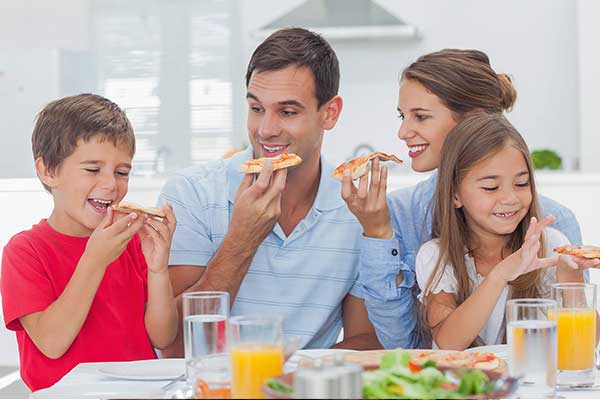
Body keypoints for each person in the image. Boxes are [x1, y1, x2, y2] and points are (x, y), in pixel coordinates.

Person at [159, 27, 380, 356]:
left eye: (287, 112)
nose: (266, 130)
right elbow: (177, 347)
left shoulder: (356, 211)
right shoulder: (191, 194)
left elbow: (365, 341)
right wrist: (241, 240)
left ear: (329, 113)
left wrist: (289, 378)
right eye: (256, 109)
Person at [340, 49, 583, 349]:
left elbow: (575, 342)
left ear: (474, 121)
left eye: (421, 117)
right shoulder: (397, 215)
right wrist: (377, 233)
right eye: (403, 116)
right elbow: (402, 345)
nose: (403, 132)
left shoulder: (553, 225)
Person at [0, 94, 178, 391]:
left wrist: (159, 271)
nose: (111, 184)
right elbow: (52, 343)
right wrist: (95, 260)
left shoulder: (131, 241)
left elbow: (163, 337)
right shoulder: (25, 252)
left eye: (122, 172)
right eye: (93, 169)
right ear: (49, 171)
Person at [416, 112, 597, 349]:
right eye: (491, 187)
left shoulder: (550, 245)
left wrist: (569, 278)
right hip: (469, 384)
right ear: (455, 194)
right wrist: (501, 274)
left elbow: (582, 346)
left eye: (521, 184)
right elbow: (449, 342)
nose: (510, 198)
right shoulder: (437, 255)